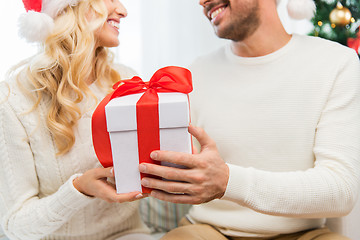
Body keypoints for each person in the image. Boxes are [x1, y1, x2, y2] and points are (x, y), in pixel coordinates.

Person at [137, 0, 360, 239]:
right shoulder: (195, 75)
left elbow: (341, 190)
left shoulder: (336, 63)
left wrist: (227, 181)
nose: (202, 2)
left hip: (303, 233)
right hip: (208, 231)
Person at [0, 0, 154, 239]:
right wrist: (78, 189)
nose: (123, 10)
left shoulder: (126, 80)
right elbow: (15, 226)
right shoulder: (13, 99)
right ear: (70, 8)